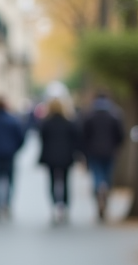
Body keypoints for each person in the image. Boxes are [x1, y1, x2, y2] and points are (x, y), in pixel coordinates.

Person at [80, 91, 125, 220]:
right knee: (108, 175)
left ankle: (99, 189)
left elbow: (84, 135)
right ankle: (105, 189)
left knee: (97, 174)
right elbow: (120, 134)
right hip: (110, 151)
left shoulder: (89, 115)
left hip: (94, 151)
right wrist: (117, 146)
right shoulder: (115, 114)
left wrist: (84, 151)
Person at [38, 97, 81, 224]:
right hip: (66, 156)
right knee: (66, 182)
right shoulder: (69, 123)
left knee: (52, 182)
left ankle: (54, 206)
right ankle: (65, 207)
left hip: (50, 157)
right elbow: (76, 139)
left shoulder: (46, 123)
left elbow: (42, 138)